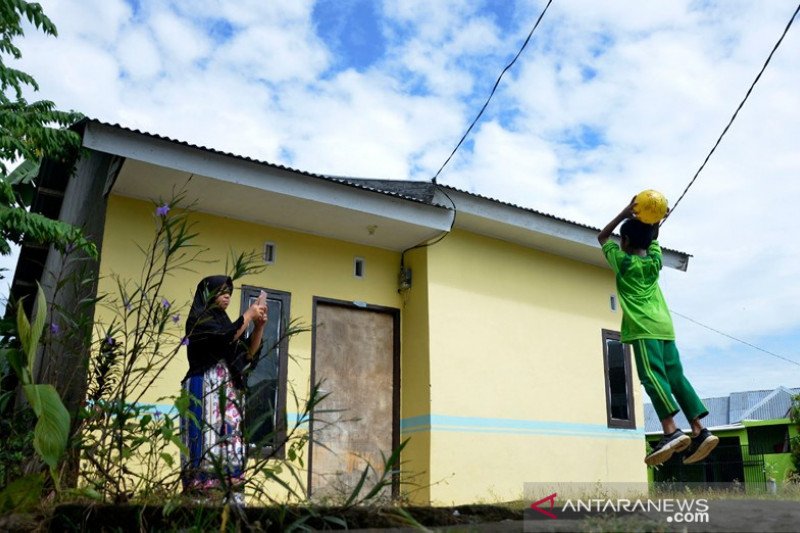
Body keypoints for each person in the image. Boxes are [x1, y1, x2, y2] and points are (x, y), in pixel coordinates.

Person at [597, 198, 718, 466]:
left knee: (652, 377)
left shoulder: (622, 262)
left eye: (622, 240)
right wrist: (655, 221)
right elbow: (653, 238)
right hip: (665, 327)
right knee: (675, 376)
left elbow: (602, 236)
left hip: (643, 328)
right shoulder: (654, 262)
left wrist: (625, 212)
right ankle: (700, 430)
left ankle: (670, 430)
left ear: (625, 241)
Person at [180, 275, 267, 503]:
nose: (227, 294)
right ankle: (198, 504)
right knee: (204, 444)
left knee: (230, 450)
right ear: (207, 294)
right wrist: (248, 315)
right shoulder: (198, 320)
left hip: (228, 396)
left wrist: (258, 326)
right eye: (221, 290)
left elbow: (247, 354)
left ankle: (230, 508)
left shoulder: (226, 323)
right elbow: (223, 339)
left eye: (229, 290)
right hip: (204, 389)